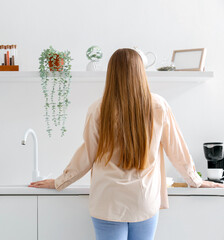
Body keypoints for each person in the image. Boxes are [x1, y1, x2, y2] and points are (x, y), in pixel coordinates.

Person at [28, 48, 224, 240]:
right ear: (140, 72)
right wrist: (195, 180)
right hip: (143, 199)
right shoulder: (158, 105)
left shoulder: (98, 108)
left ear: (111, 73)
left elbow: (87, 154)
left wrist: (60, 181)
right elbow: (177, 149)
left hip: (108, 200)